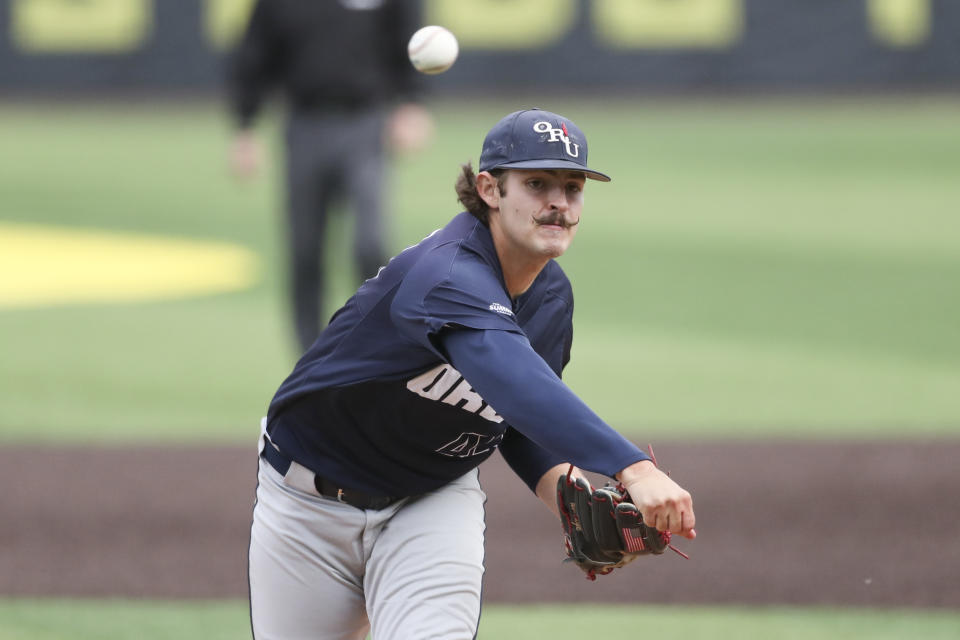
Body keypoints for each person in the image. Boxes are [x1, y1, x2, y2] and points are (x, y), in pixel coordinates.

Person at [248, 108, 696, 639]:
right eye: (536, 184)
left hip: (430, 503)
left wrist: (566, 493)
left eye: (572, 188)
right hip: (307, 504)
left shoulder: (551, 298)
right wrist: (634, 469)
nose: (558, 202)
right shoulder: (447, 274)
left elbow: (517, 417)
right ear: (489, 189)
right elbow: (508, 376)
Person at [226, 0, 432, 353]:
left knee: (370, 243)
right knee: (305, 250)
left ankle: (381, 346)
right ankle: (311, 361)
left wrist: (411, 102)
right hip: (303, 124)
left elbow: (406, 33)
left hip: (365, 122)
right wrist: (246, 126)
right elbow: (256, 50)